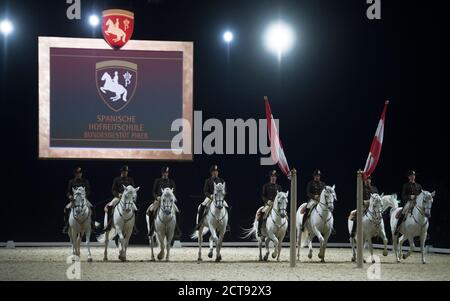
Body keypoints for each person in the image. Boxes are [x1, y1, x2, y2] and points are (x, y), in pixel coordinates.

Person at [146, 167, 181, 238]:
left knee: (177, 211)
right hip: (159, 200)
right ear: (162, 173)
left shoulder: (171, 181)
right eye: (164, 173)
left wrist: (171, 199)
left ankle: (177, 228)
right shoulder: (157, 181)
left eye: (167, 173)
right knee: (151, 210)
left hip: (168, 201)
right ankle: (152, 229)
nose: (165, 174)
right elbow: (153, 192)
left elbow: (174, 193)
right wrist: (157, 197)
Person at [195, 165, 230, 230]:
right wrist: (210, 196)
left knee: (227, 207)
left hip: (219, 198)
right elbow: (205, 191)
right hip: (210, 197)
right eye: (214, 171)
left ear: (218, 172)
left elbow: (225, 190)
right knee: (202, 206)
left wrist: (223, 194)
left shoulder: (221, 180)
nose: (215, 173)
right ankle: (199, 223)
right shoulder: (208, 180)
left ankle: (227, 224)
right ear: (211, 173)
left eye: (216, 171)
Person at [63, 167, 95, 233]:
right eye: (77, 173)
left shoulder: (85, 181)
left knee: (92, 208)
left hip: (83, 200)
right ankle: (66, 225)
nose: (78, 174)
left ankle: (92, 224)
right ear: (75, 174)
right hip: (74, 200)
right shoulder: (71, 181)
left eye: (79, 173)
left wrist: (85, 196)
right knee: (66, 209)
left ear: (81, 173)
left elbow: (88, 190)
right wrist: (69, 196)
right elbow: (68, 191)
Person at [394, 170, 422, 235]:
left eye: (413, 175)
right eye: (411, 176)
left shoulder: (419, 186)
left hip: (417, 202)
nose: (413, 177)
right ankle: (397, 228)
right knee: (404, 211)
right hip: (409, 202)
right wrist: (410, 197)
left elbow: (421, 195)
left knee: (424, 211)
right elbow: (403, 196)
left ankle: (424, 229)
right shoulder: (405, 185)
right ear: (408, 177)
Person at [256, 170, 283, 237]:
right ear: (270, 177)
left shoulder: (279, 187)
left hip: (277, 205)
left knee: (284, 214)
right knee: (262, 213)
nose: (273, 177)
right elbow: (263, 196)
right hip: (269, 204)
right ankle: (259, 230)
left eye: (275, 176)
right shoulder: (266, 186)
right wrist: (267, 201)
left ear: (276, 178)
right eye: (272, 176)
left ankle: (286, 230)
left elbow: (281, 196)